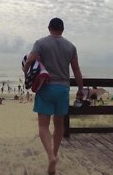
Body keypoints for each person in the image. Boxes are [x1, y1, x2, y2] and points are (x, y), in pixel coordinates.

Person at [22, 17, 84, 175]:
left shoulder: (41, 43)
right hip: (63, 89)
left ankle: (50, 156)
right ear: (62, 29)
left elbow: (30, 60)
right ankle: (54, 154)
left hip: (46, 88)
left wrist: (26, 72)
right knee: (59, 125)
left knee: (43, 126)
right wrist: (81, 89)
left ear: (49, 28)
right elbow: (76, 70)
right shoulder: (71, 46)